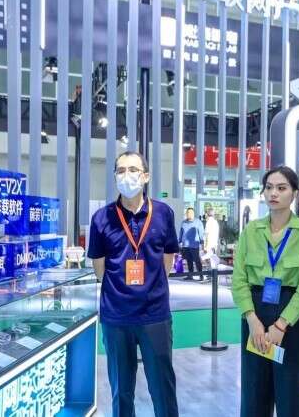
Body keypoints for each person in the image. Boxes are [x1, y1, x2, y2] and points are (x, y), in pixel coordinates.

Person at [88, 151, 179, 417]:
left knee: (163, 388)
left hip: (155, 315)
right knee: (121, 391)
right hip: (116, 317)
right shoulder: (101, 218)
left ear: (146, 176)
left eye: (133, 170)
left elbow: (168, 260)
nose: (126, 176)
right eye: (120, 170)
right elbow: (99, 268)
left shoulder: (163, 213)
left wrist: (150, 285)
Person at [232, 166, 299, 417]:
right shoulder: (251, 231)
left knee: (291, 393)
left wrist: (281, 325)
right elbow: (239, 279)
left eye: (281, 188)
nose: (273, 193)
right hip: (255, 315)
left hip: (290, 317)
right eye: (269, 187)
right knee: (254, 392)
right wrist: (252, 319)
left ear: (294, 193)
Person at [178, 207, 205, 281]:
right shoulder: (183, 222)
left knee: (197, 261)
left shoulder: (198, 222)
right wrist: (179, 242)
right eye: (187, 213)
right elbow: (181, 233)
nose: (189, 214)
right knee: (189, 260)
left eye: (190, 213)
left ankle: (201, 275)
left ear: (193, 214)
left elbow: (201, 233)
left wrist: (202, 243)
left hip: (194, 246)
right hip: (185, 245)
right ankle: (190, 275)